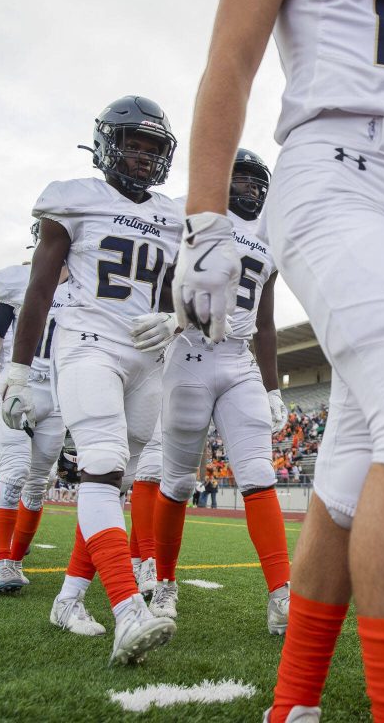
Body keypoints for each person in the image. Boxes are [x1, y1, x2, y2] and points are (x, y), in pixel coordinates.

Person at [174, 0, 384, 720]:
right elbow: (232, 56)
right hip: (335, 166)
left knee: (354, 457)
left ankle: (292, 704)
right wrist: (205, 219)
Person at [3, 95, 180, 664]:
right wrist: (19, 369)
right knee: (101, 466)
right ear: (108, 143)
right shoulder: (75, 198)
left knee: (113, 483)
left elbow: (179, 290)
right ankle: (128, 609)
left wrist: (176, 318)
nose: (143, 157)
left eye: (154, 148)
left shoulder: (174, 215)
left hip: (146, 357)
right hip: (89, 346)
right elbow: (39, 288)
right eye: (134, 144)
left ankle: (69, 597)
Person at [147, 148, 291, 630]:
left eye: (256, 181)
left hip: (238, 360)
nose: (250, 189)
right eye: (242, 179)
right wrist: (172, 318)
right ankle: (165, 583)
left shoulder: (267, 239)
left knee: (258, 474)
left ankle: (281, 594)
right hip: (187, 353)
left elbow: (266, 323)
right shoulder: (193, 215)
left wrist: (272, 389)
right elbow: (159, 274)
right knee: (179, 482)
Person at [0, 260, 68, 593]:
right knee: (13, 471)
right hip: (16, 385)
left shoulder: (88, 280)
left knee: (38, 483)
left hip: (58, 391)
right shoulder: (17, 280)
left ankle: (15, 560)